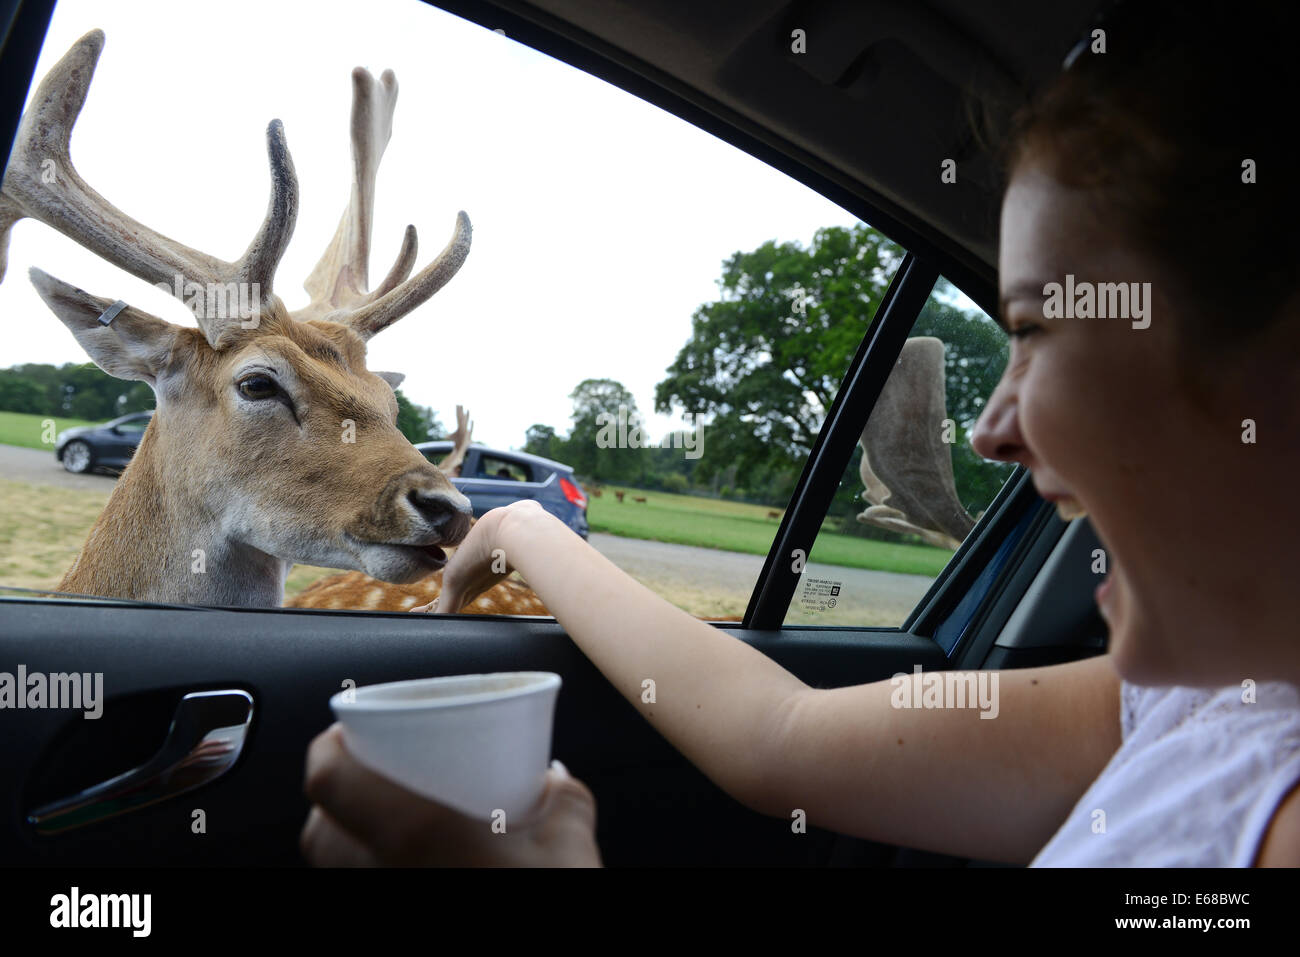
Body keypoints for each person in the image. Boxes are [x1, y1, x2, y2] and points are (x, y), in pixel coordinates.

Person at [300, 0, 1300, 867]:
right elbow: (777, 734)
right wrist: (519, 528)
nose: (991, 430)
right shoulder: (1193, 702)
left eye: (1033, 328)